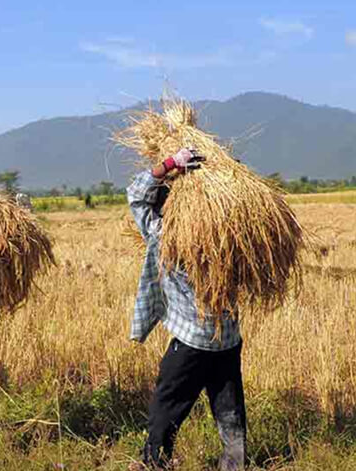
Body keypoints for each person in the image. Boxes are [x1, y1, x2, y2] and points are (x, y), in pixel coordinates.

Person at [127, 147, 247, 470]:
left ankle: (154, 463)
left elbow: (137, 197)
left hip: (191, 340)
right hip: (227, 338)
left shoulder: (170, 234)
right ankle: (234, 465)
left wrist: (168, 165)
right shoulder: (236, 236)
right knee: (229, 409)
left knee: (166, 406)